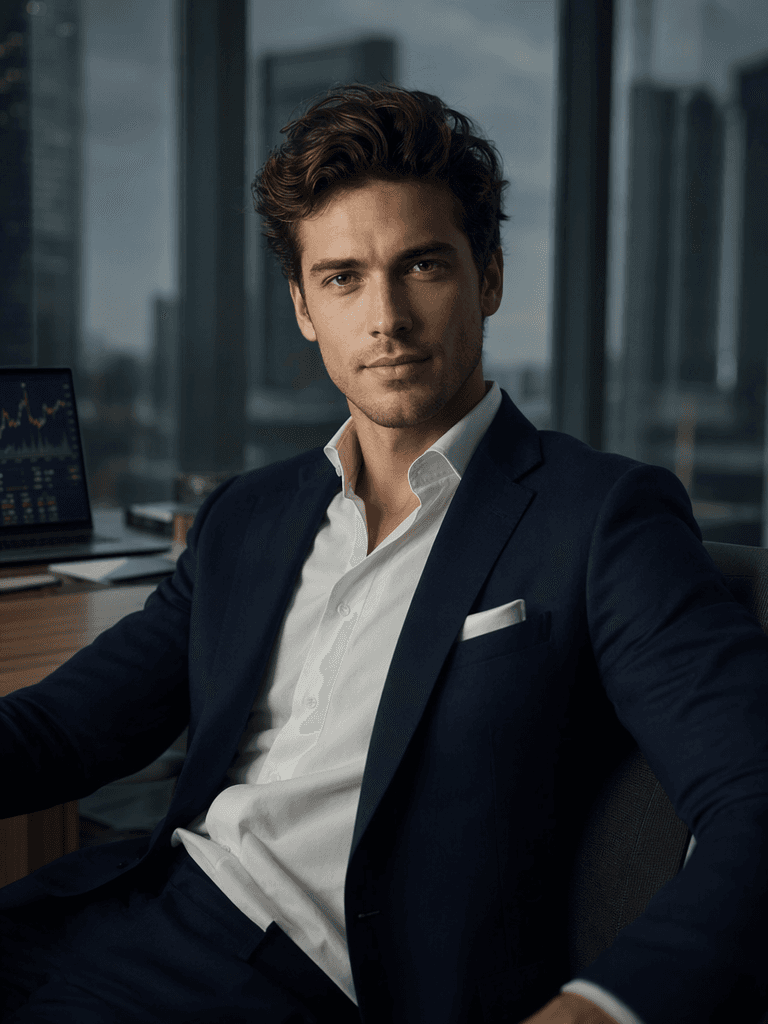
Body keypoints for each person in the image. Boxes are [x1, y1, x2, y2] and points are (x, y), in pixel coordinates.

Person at [1, 82, 767, 1024]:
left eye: (423, 267)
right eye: (343, 278)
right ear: (302, 307)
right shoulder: (247, 516)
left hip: (311, 986)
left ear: (488, 277)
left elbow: (753, 793)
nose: (387, 319)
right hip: (116, 917)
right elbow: (63, 731)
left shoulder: (603, 515)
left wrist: (602, 1007)